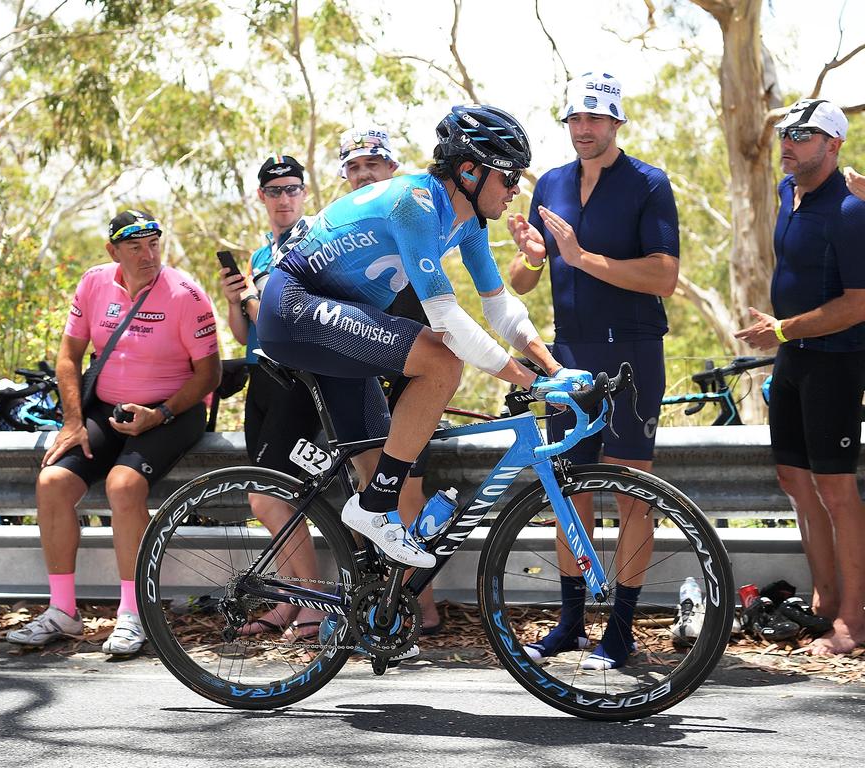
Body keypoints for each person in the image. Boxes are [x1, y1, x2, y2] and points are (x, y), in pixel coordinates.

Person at [257, 105, 569, 591]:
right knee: (441, 360)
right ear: (469, 170)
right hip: (295, 307)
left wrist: (555, 368)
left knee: (379, 460)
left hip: (342, 322)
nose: (515, 190)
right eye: (508, 176)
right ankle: (373, 508)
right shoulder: (416, 205)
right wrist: (530, 380)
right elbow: (445, 319)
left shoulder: (467, 223)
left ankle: (368, 608)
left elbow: (499, 308)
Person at [508, 72, 680, 670]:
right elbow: (522, 279)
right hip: (568, 354)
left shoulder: (648, 184)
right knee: (568, 493)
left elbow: (664, 276)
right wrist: (534, 259)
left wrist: (582, 258)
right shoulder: (550, 184)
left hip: (633, 353)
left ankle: (623, 631)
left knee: (632, 495)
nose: (583, 131)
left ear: (615, 123)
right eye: (575, 120)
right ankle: (571, 623)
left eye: (595, 120)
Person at [7, 210, 221, 655]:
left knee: (123, 486)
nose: (147, 255)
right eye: (134, 247)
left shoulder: (185, 294)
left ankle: (134, 613)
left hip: (173, 411)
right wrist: (71, 422)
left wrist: (159, 413)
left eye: (153, 244)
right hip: (108, 410)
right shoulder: (94, 282)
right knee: (51, 483)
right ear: (113, 251)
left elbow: (209, 374)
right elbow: (68, 357)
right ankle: (63, 611)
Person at [735, 99, 865, 656]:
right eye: (787, 132)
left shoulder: (853, 209)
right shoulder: (788, 194)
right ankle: (825, 601)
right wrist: (783, 334)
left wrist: (784, 329)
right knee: (793, 480)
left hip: (837, 361)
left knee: (837, 490)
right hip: (792, 359)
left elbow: (858, 304)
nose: (788, 142)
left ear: (833, 145)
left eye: (804, 134)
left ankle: (854, 623)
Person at [336, 124, 441, 634]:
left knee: (409, 486)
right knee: (365, 484)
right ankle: (370, 604)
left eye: (371, 165)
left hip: (408, 357)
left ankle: (419, 601)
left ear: (392, 170)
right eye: (353, 167)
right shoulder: (340, 227)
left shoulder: (409, 214)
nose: (362, 174)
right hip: (355, 360)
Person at [219, 155, 326, 640]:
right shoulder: (262, 254)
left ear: (304, 194)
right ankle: (287, 599)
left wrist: (251, 301)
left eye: (292, 189)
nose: (284, 198)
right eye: (274, 190)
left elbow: (289, 320)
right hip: (260, 376)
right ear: (261, 197)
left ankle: (313, 604)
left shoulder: (314, 244)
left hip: (298, 380)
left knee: (269, 497)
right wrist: (232, 300)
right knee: (262, 495)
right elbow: (246, 329)